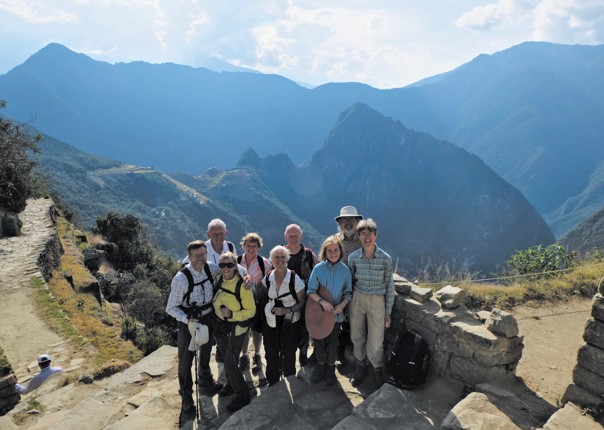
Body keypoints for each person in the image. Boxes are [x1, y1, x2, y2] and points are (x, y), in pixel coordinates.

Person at [165, 240, 222, 421]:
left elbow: (227, 275)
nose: (200, 259)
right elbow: (171, 307)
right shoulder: (181, 279)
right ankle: (186, 394)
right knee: (186, 358)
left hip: (208, 317)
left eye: (203, 255)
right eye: (196, 256)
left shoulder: (211, 268)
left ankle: (205, 380)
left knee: (205, 350)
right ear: (189, 257)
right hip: (188, 321)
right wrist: (187, 319)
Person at [347, 219, 394, 390]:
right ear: (359, 237)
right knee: (356, 335)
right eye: (363, 234)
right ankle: (361, 366)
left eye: (370, 233)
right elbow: (350, 282)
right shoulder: (353, 258)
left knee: (376, 340)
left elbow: (390, 286)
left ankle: (377, 368)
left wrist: (388, 312)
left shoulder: (385, 259)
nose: (367, 237)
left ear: (376, 235)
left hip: (377, 299)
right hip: (358, 298)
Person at [212, 252, 256, 412]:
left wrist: (232, 315)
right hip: (221, 328)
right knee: (226, 359)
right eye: (222, 265)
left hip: (236, 330)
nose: (226, 268)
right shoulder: (218, 279)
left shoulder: (242, 285)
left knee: (230, 364)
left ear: (235, 266)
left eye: (230, 265)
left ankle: (243, 395)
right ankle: (231, 385)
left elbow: (251, 311)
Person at [307, 236, 352, 386]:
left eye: (336, 250)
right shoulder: (318, 269)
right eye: (329, 250)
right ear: (325, 252)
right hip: (319, 314)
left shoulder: (345, 271)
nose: (333, 253)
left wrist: (342, 306)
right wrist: (322, 301)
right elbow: (311, 290)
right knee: (319, 342)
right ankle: (321, 367)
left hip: (336, 316)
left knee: (333, 343)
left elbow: (348, 293)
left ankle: (330, 369)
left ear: (340, 251)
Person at [262, 245, 306, 386]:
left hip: (291, 321)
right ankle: (273, 381)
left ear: (287, 259)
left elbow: (302, 302)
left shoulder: (294, 279)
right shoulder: (268, 278)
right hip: (272, 320)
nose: (280, 260)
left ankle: (289, 378)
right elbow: (264, 298)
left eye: (283, 257)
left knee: (289, 351)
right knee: (271, 352)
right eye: (277, 257)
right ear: (272, 260)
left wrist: (287, 311)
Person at [237, 233, 273, 373]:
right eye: (248, 245)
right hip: (242, 302)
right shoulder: (237, 261)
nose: (251, 248)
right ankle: (244, 355)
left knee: (257, 331)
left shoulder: (264, 263)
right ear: (244, 245)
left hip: (258, 301)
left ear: (258, 247)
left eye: (254, 245)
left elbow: (270, 280)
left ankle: (257, 355)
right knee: (244, 330)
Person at [283, 224, 318, 366]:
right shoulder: (280, 253)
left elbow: (318, 273)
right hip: (285, 299)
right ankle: (288, 354)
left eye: (296, 235)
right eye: (291, 236)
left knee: (305, 328)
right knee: (289, 327)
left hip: (306, 298)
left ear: (301, 237)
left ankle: (303, 353)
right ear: (286, 237)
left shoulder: (309, 255)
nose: (293, 238)